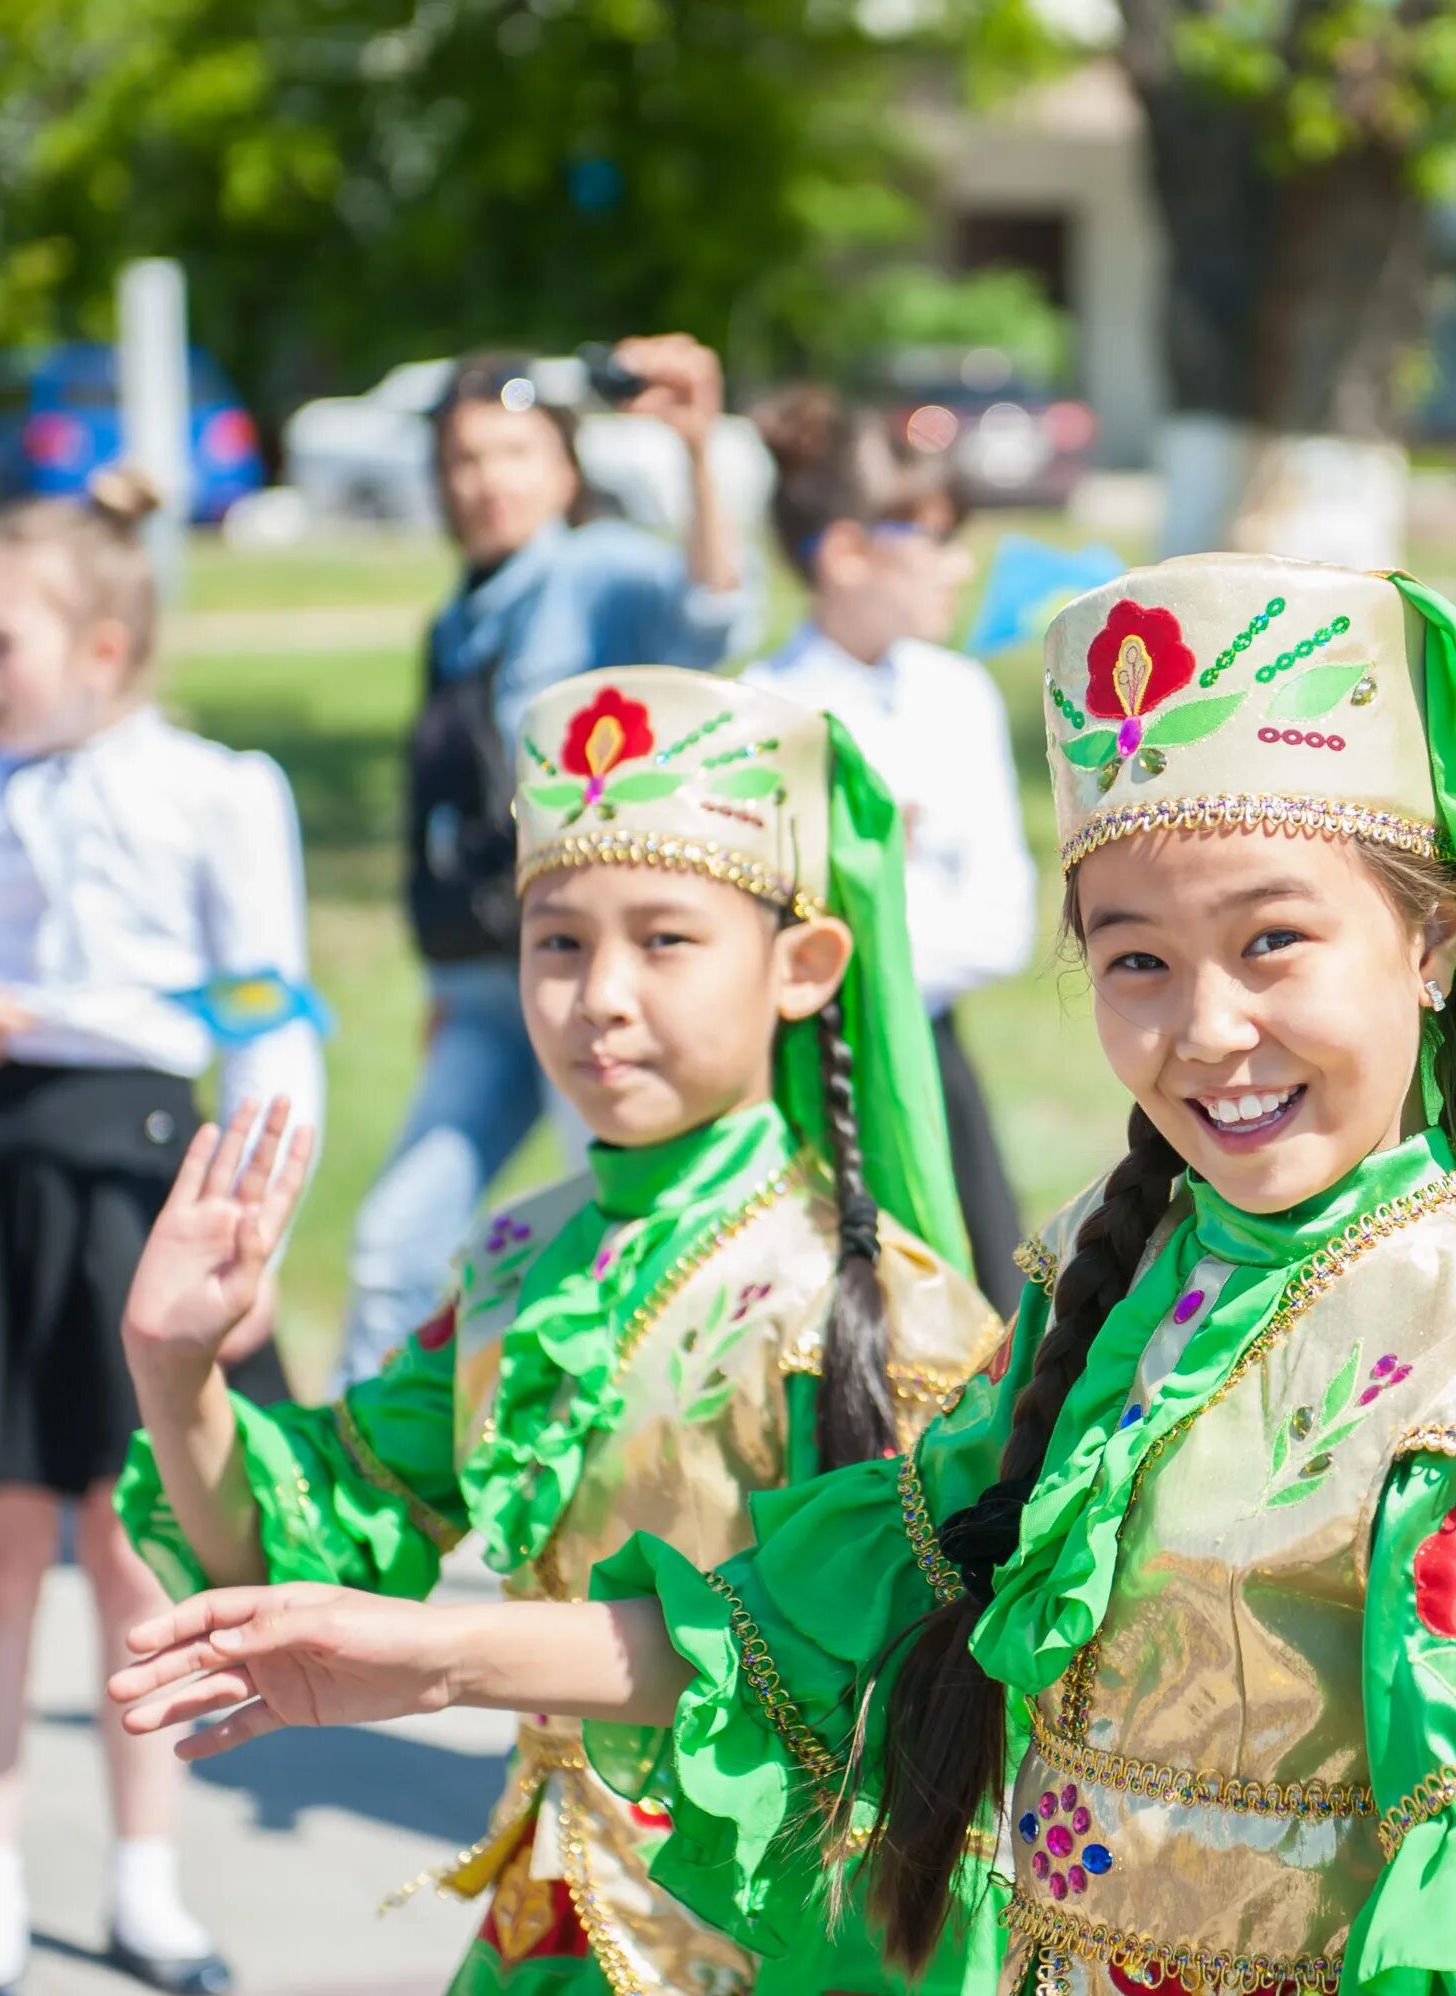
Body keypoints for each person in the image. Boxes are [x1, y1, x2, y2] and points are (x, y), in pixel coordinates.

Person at [106, 556, 1456, 1996]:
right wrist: (412, 1655)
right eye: (1137, 958)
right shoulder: (1124, 1277)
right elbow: (788, 1637)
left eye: (1273, 942)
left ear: (1432, 946)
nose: (1207, 1028)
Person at [113, 669, 1003, 1994]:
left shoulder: (870, 1298)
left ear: (805, 966)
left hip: (801, 1940)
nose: (600, 996)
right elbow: (284, 1551)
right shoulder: (521, 1258)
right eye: (559, 942)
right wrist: (178, 1367)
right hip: (560, 1910)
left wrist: (443, 1664)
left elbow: (853, 1678)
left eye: (666, 940)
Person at [0, 469, 324, 1996]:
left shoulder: (221, 790)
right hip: (3, 1177)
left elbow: (272, 1014)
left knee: (136, 1553)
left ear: (103, 650)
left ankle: (146, 1883)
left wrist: (260, 1230)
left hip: (153, 1188)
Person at [336, 338, 758, 1390]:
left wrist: (698, 452)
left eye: (513, 454)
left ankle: (618, 1502)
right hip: (483, 985)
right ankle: (352, 1523)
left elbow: (712, 617)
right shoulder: (460, 615)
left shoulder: (595, 568)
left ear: (565, 469)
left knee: (615, 1241)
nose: (486, 483)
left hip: (590, 979)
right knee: (396, 1243)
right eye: (464, 460)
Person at [740, 386, 1036, 1313]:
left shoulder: (958, 697)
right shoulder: (761, 717)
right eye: (933, 538)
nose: (958, 567)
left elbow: (1001, 927)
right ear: (844, 554)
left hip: (932, 1078)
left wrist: (858, 927)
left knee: (977, 1326)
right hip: (795, 1088)